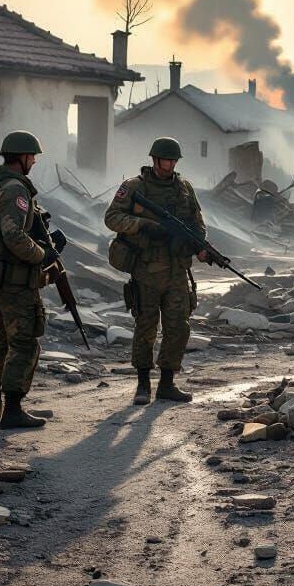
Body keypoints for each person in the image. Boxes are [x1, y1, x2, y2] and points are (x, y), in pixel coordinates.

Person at [104, 137, 207, 406]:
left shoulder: (184, 189)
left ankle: (167, 383)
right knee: (146, 327)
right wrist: (142, 226)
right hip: (146, 270)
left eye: (174, 160)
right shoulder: (133, 187)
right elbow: (112, 218)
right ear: (154, 160)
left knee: (178, 328)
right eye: (166, 160)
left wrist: (199, 246)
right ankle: (142, 385)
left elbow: (197, 224)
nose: (170, 165)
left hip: (176, 271)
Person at [0, 130, 63, 430]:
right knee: (25, 343)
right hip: (13, 281)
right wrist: (42, 255)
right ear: (22, 157)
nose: (35, 162)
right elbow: (13, 235)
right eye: (33, 157)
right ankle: (13, 409)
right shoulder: (15, 189)